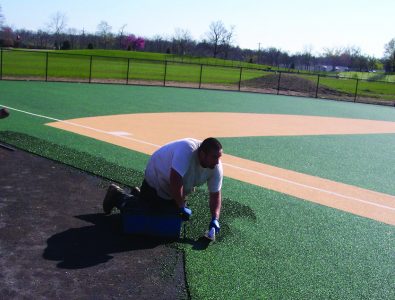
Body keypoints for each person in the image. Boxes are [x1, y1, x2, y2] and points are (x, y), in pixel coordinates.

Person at [103, 137, 223, 235]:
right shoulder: (187, 150)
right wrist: (181, 206)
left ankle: (140, 195)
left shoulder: (215, 166)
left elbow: (215, 194)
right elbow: (175, 178)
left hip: (176, 187)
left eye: (219, 157)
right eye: (214, 157)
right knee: (150, 212)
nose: (217, 162)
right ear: (202, 154)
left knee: (171, 215)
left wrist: (215, 219)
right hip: (156, 177)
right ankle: (117, 195)